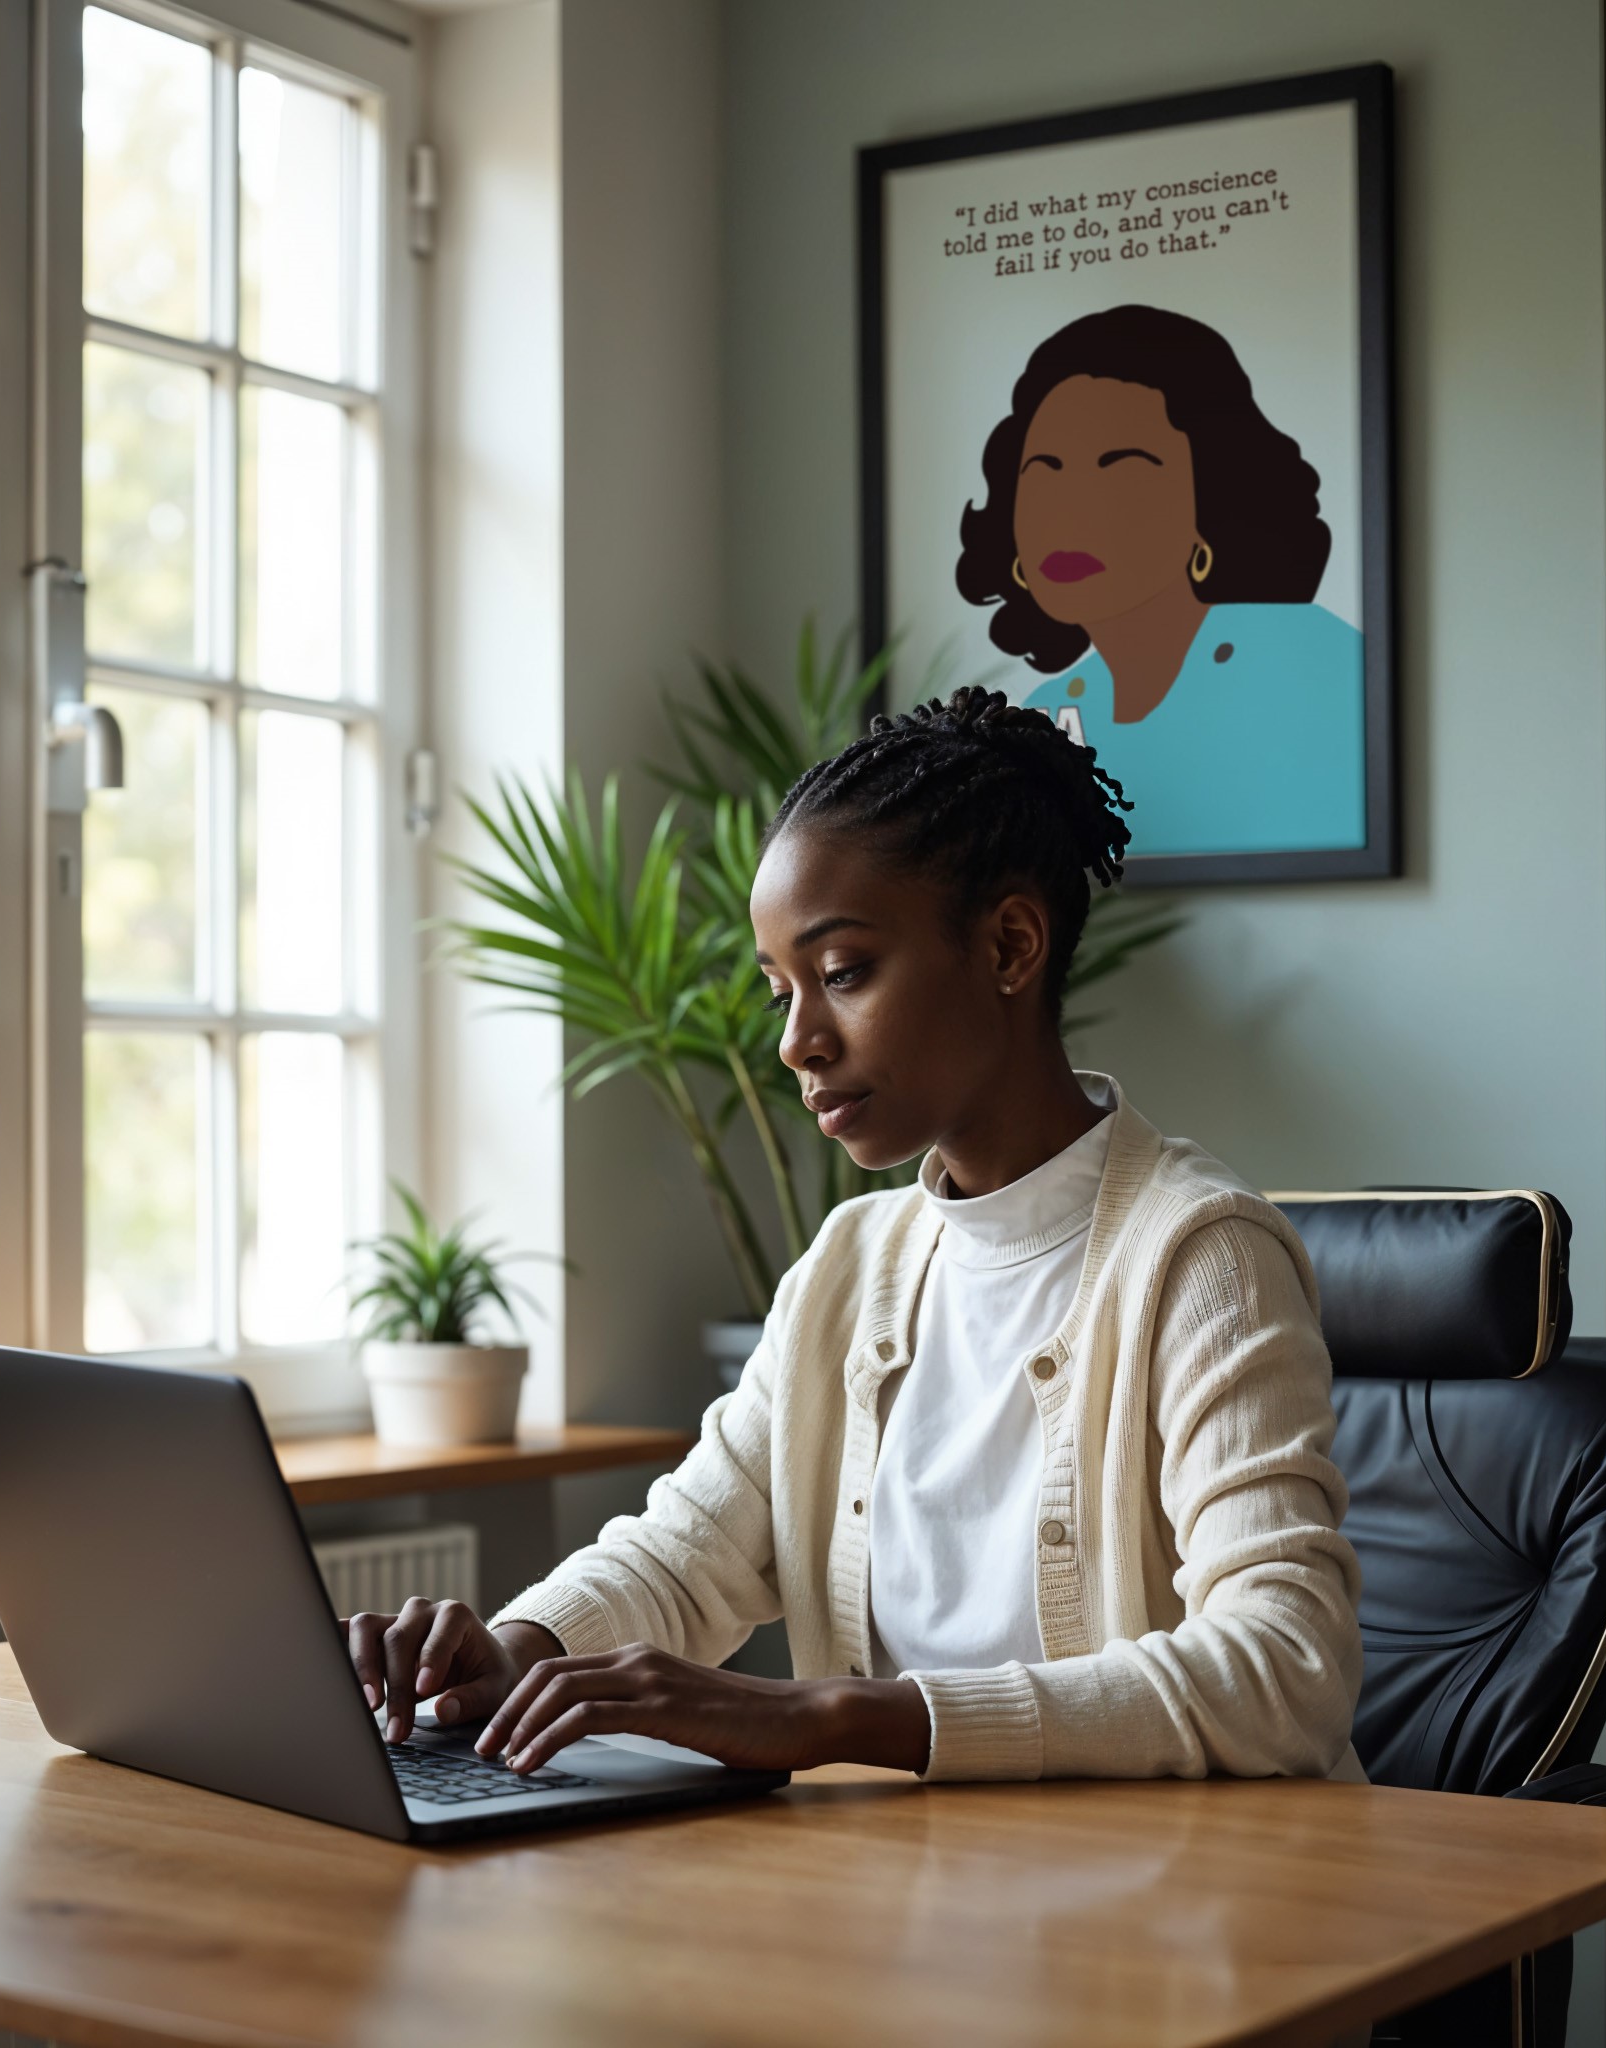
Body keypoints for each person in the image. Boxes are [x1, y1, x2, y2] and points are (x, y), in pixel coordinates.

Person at [350, 687, 1363, 1783]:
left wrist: (833, 1717)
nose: (795, 1041)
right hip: (903, 1901)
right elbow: (689, 1551)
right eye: (780, 987)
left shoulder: (1200, 1256)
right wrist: (515, 1649)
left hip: (1178, 1916)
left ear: (1010, 944)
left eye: (840, 974)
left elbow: (1284, 1667)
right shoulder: (850, 1262)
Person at [956, 305, 1366, 858]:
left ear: (1213, 498)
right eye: (1045, 471)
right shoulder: (1048, 712)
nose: (1070, 512)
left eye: (1121, 468)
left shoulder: (1320, 664)